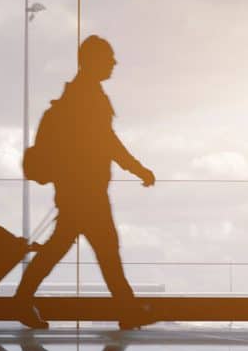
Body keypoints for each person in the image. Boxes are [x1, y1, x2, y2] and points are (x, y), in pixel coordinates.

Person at [15, 35, 156, 330]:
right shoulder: (88, 97)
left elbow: (104, 142)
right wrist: (138, 168)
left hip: (77, 189)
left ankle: (23, 300)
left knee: (70, 246)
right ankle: (127, 310)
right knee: (104, 248)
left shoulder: (81, 95)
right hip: (86, 191)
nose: (114, 63)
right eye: (108, 58)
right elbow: (108, 142)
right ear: (92, 61)